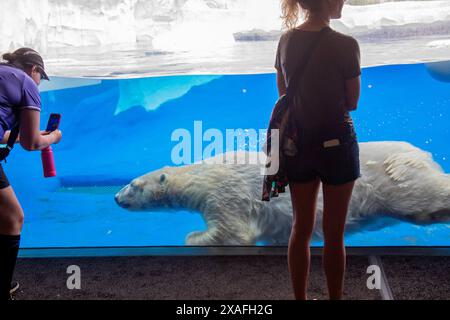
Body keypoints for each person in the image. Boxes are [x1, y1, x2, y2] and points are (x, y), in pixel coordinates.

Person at [275, 0, 361, 299]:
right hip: (337, 146)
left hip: (297, 146)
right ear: (328, 2)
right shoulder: (346, 44)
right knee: (334, 234)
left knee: (300, 228)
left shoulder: (285, 41)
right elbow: (352, 102)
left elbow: (284, 94)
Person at [0, 48, 62, 300]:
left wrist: (34, 138)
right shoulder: (26, 83)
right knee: (13, 217)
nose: (39, 83)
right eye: (41, 77)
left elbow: (7, 135)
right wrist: (54, 138)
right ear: (33, 69)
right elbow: (30, 143)